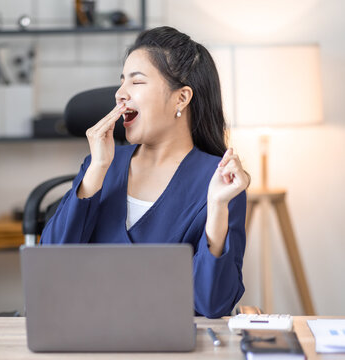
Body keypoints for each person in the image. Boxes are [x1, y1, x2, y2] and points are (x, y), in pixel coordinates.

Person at [40, 26, 250, 318]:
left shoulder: (220, 184)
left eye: (136, 82)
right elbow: (48, 269)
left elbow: (212, 304)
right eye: (121, 81)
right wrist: (97, 170)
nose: (120, 94)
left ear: (181, 98)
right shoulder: (101, 166)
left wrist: (216, 207)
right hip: (88, 336)